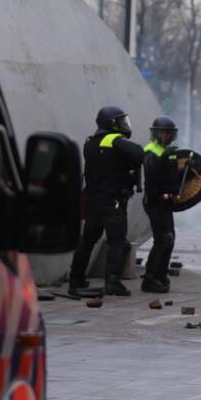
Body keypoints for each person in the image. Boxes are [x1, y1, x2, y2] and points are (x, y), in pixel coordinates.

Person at [69, 106, 144, 297]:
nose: (123, 125)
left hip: (94, 201)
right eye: (120, 121)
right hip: (113, 201)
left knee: (87, 241)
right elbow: (138, 153)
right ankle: (113, 282)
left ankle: (76, 279)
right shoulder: (113, 139)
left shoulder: (90, 142)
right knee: (116, 242)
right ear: (111, 124)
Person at [142, 116, 182, 293]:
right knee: (162, 240)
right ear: (155, 134)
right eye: (162, 132)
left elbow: (172, 175)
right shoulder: (151, 150)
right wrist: (166, 156)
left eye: (168, 133)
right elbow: (152, 176)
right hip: (155, 201)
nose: (165, 136)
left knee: (170, 240)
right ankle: (149, 280)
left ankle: (160, 275)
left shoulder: (169, 151)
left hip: (167, 202)